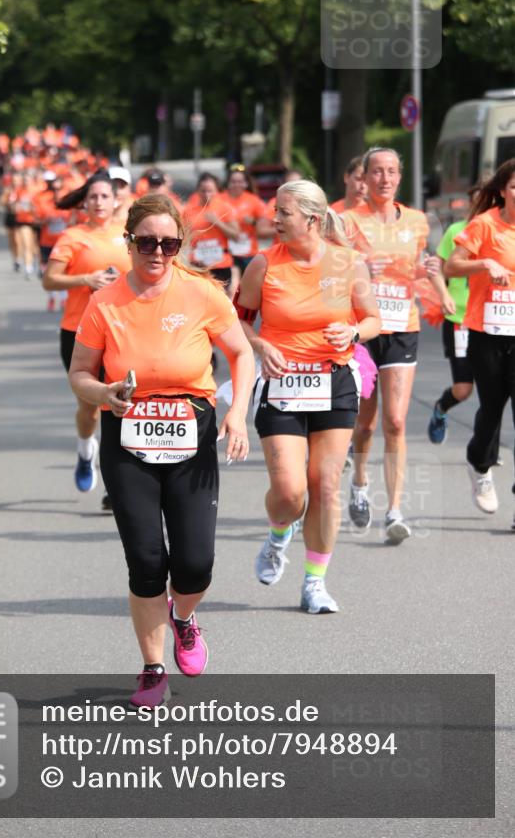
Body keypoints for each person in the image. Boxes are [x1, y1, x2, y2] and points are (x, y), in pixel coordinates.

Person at [70, 194, 255, 706]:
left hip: (191, 430)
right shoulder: (105, 302)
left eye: (168, 244)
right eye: (147, 242)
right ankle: (152, 668)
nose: (157, 252)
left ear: (179, 246)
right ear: (128, 242)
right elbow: (79, 373)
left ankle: (184, 616)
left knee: (195, 562)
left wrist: (237, 414)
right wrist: (104, 394)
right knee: (147, 560)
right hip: (127, 436)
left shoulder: (201, 293)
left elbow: (240, 353)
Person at [236, 180, 380, 612]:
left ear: (312, 219)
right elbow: (237, 322)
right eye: (275, 211)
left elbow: (373, 319)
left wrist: (353, 331)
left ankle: (314, 583)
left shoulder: (348, 264)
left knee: (326, 485)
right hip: (282, 384)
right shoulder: (263, 265)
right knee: (289, 492)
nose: (274, 219)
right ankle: (279, 533)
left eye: (283, 213)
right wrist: (260, 345)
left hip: (333, 382)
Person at [342, 147, 433, 543]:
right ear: (364, 177)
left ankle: (394, 510)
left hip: (402, 325)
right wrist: (359, 267)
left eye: (392, 171)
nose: (384, 178)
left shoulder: (416, 221)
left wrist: (431, 275)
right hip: (363, 329)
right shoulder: (346, 222)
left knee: (396, 421)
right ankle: (360, 482)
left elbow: (418, 267)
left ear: (399, 177)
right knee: (366, 423)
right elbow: (330, 270)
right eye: (377, 171)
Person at [42, 173, 131, 504]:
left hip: (121, 331)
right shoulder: (73, 236)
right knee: (91, 408)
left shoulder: (128, 234)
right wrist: (86, 279)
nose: (98, 202)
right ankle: (84, 450)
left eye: (104, 196)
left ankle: (114, 484)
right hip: (78, 331)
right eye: (92, 197)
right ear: (85, 201)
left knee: (116, 406)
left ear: (115, 200)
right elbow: (49, 280)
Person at [446, 159, 515, 514]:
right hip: (486, 332)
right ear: (503, 190)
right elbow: (451, 265)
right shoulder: (484, 225)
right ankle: (479, 464)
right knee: (491, 408)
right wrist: (485, 264)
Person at [426, 206, 474, 444]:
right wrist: (444, 296)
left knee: (496, 391)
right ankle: (441, 407)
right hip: (460, 320)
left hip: (494, 322)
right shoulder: (457, 231)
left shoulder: (504, 232)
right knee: (464, 389)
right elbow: (438, 269)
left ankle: (488, 450)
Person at [184, 173, 239, 291]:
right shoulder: (189, 211)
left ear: (217, 191)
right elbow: (182, 237)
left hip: (220, 264)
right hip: (198, 263)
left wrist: (218, 223)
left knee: (220, 299)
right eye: (203, 191)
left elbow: (236, 235)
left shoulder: (225, 208)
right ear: (198, 191)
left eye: (210, 191)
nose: (207, 194)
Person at [221, 164, 267, 283]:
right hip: (226, 251)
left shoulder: (253, 200)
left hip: (248, 251)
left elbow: (264, 225)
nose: (236, 184)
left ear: (246, 184)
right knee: (230, 285)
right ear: (228, 183)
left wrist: (253, 221)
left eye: (240, 181)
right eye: (233, 181)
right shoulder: (220, 199)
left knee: (249, 284)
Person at [33, 174, 72, 312]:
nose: (57, 193)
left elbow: (74, 222)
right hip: (46, 243)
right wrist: (46, 221)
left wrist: (68, 222)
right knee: (47, 272)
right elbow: (36, 221)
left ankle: (62, 298)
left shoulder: (68, 206)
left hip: (63, 244)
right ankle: (51, 297)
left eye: (59, 190)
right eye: (54, 190)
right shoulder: (45, 203)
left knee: (62, 272)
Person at [257, 168, 304, 241]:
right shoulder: (275, 202)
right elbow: (261, 231)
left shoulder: (309, 202)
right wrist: (285, 229)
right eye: (290, 185)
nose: (294, 188)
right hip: (282, 249)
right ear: (283, 185)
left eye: (297, 184)